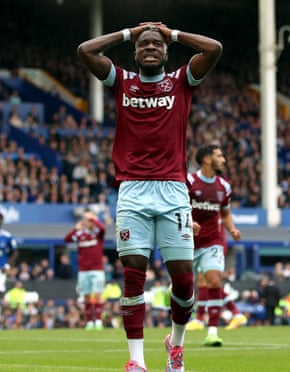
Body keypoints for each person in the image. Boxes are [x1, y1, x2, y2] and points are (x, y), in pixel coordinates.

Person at [77, 22, 222, 372]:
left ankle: (176, 342)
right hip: (132, 189)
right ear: (135, 52)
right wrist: (130, 32)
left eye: (157, 44)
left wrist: (173, 34)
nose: (151, 47)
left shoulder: (181, 81)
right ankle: (137, 361)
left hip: (172, 189)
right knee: (133, 273)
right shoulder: (122, 81)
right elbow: (86, 51)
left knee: (185, 280)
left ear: (167, 51)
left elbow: (213, 48)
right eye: (144, 44)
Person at [185, 144, 243, 347]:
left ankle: (212, 332)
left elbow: (225, 214)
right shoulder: (189, 181)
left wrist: (232, 229)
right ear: (207, 159)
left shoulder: (224, 186)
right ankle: (181, 328)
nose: (224, 159)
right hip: (186, 242)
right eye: (219, 156)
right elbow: (176, 206)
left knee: (214, 281)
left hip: (212, 241)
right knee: (181, 287)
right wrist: (188, 222)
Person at [63, 209, 106, 330]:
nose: (89, 223)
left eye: (91, 220)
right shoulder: (80, 234)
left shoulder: (98, 234)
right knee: (87, 296)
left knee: (98, 295)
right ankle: (89, 322)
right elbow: (66, 239)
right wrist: (75, 229)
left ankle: (97, 321)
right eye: (87, 220)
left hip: (97, 269)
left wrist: (93, 218)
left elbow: (103, 228)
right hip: (83, 270)